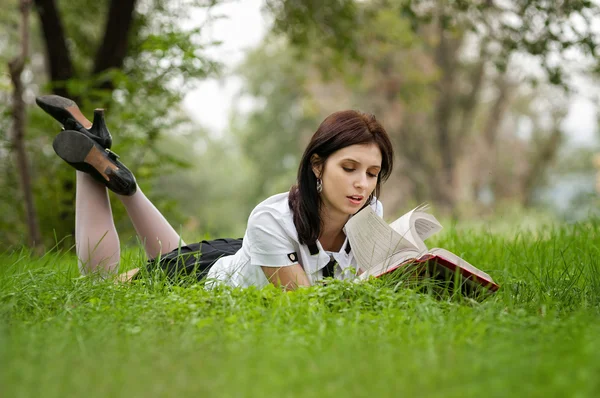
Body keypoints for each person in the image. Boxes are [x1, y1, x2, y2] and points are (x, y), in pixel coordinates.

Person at [36, 95, 394, 290]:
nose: (362, 184)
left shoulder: (369, 213)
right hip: (206, 276)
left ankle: (113, 167)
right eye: (349, 168)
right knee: (100, 285)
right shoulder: (273, 218)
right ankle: (87, 163)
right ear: (317, 165)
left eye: (372, 173)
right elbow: (304, 305)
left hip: (241, 252)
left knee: (170, 253)